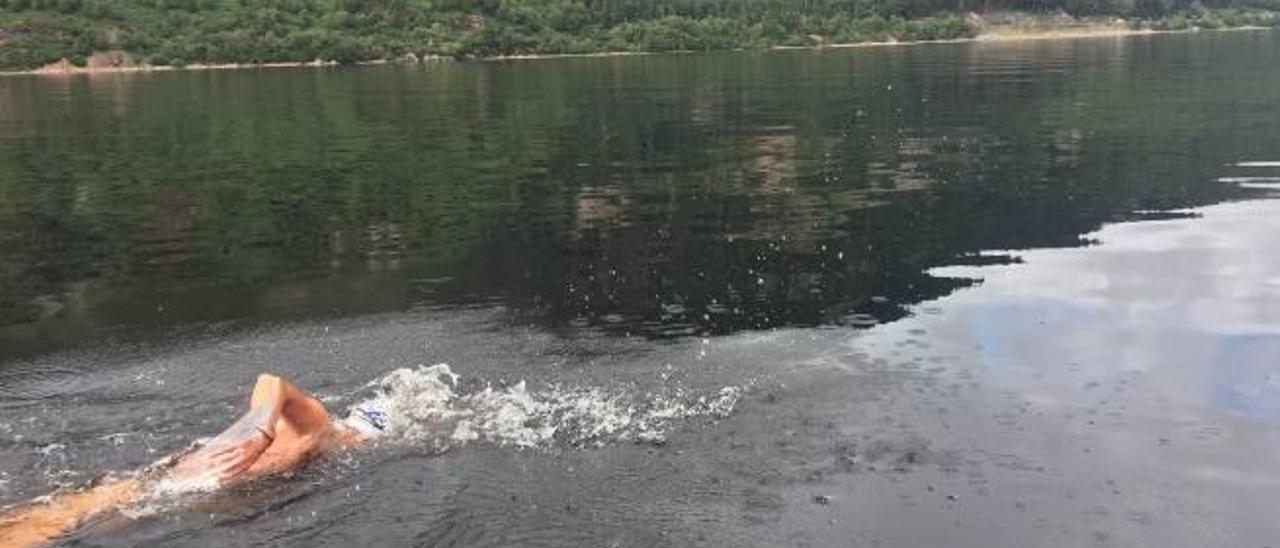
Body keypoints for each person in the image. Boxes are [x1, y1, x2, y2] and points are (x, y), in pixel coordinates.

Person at [0, 373, 385, 548]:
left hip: (185, 481)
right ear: (356, 429)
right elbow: (272, 382)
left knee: (73, 515)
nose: (358, 445)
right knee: (71, 516)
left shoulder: (318, 453)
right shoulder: (315, 423)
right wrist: (261, 432)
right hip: (181, 479)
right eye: (363, 439)